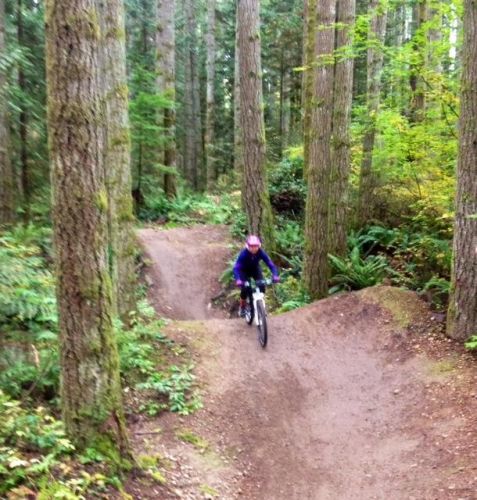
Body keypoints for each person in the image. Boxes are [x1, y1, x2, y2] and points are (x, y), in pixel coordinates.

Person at [233, 235, 280, 318]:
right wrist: (238, 279)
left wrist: (275, 275)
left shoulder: (261, 253)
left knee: (262, 286)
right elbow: (236, 268)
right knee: (244, 290)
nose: (254, 249)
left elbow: (271, 265)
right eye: (251, 246)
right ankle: (243, 307)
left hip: (255, 269)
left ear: (259, 246)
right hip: (244, 271)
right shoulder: (243, 254)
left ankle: (261, 307)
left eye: (256, 246)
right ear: (248, 246)